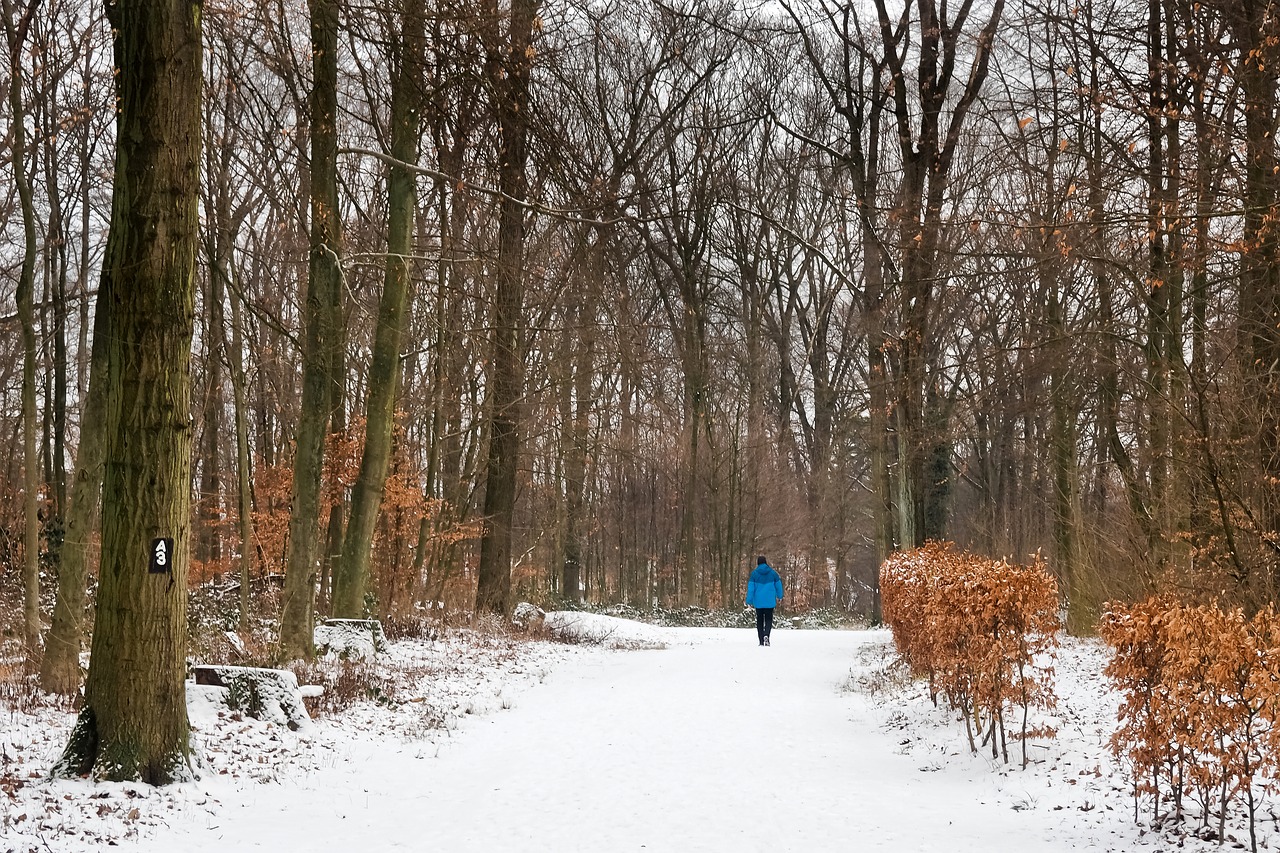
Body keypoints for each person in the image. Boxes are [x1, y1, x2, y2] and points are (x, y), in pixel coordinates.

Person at [745, 556, 784, 646]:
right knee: (769, 619)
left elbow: (751, 588)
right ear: (766, 562)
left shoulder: (754, 574)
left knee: (759, 620)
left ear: (758, 563)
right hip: (770, 601)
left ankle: (761, 640)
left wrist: (749, 601)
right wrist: (780, 596)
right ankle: (766, 635)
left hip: (758, 602)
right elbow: (778, 585)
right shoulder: (773, 573)